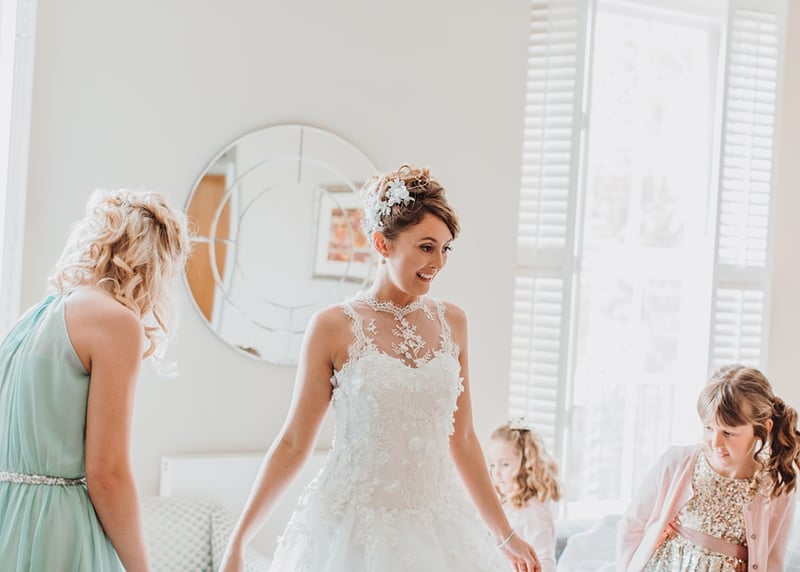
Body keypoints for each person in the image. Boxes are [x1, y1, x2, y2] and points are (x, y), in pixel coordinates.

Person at [219, 164, 541, 572]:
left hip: (439, 528)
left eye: (446, 249)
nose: (438, 262)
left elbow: (462, 439)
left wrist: (505, 535)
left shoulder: (454, 322)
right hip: (353, 532)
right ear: (381, 244)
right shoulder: (332, 327)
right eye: (426, 247)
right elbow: (294, 443)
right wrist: (238, 542)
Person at [0, 189, 191, 571]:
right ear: (154, 262)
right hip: (57, 528)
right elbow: (108, 474)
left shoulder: (34, 317)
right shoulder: (116, 323)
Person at [617, 364, 800, 572]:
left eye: (728, 433)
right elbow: (632, 524)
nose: (715, 442)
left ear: (763, 428)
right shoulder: (676, 463)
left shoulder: (776, 490)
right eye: (709, 428)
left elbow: (773, 561)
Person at [488, 420, 562, 572]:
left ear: (527, 466)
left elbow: (545, 562)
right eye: (493, 464)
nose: (496, 472)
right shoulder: (507, 505)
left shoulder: (533, 510)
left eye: (505, 464)